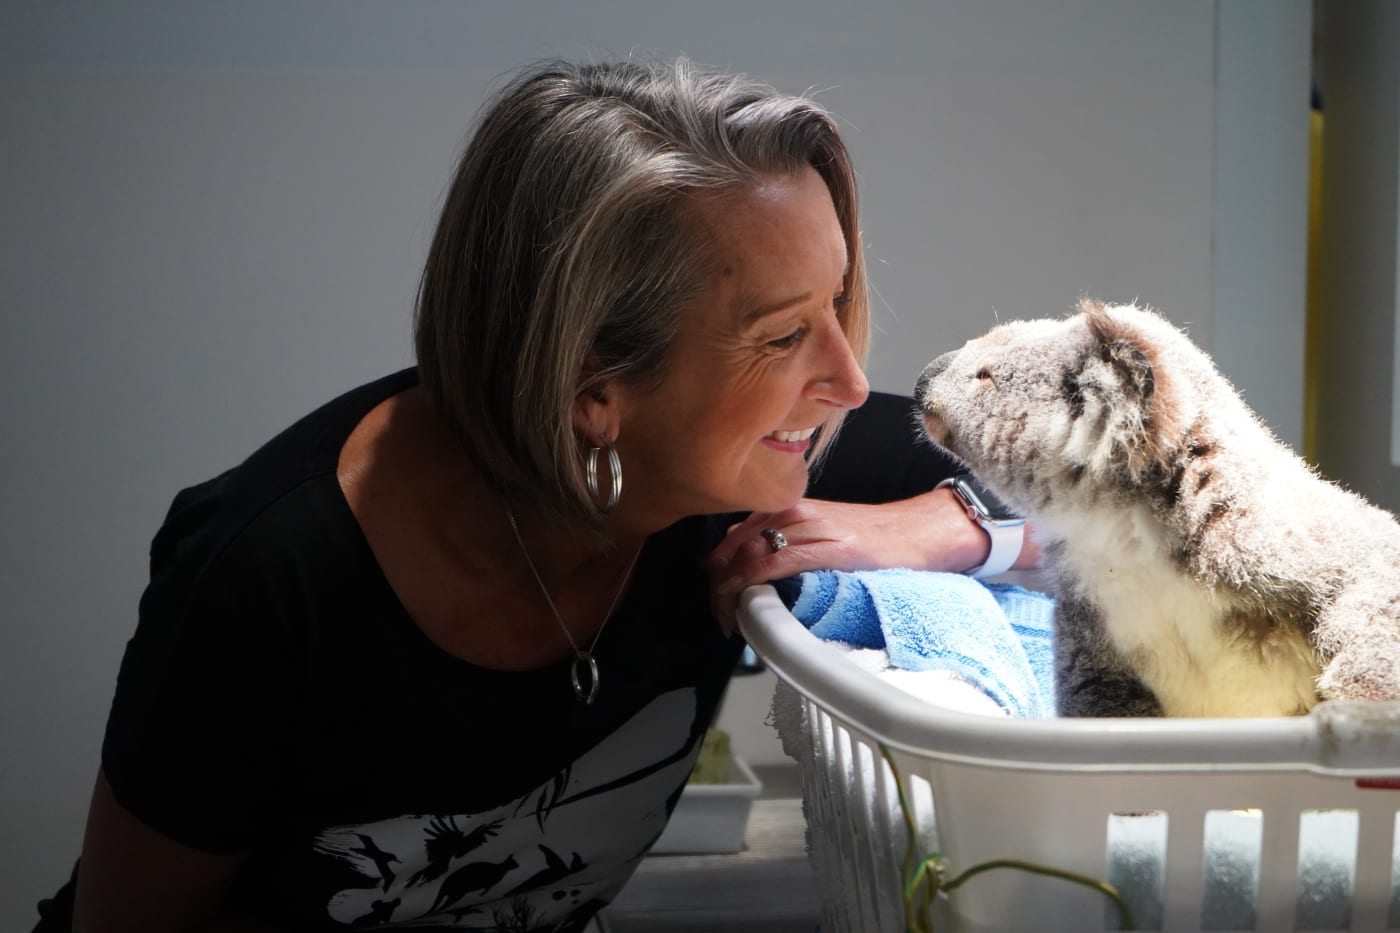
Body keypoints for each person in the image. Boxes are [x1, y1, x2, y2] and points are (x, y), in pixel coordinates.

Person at [35, 56, 1035, 932]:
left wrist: (947, 527)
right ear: (591, 386)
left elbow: (1157, 491)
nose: (846, 383)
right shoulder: (269, 577)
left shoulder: (748, 464)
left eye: (836, 304)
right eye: (780, 335)